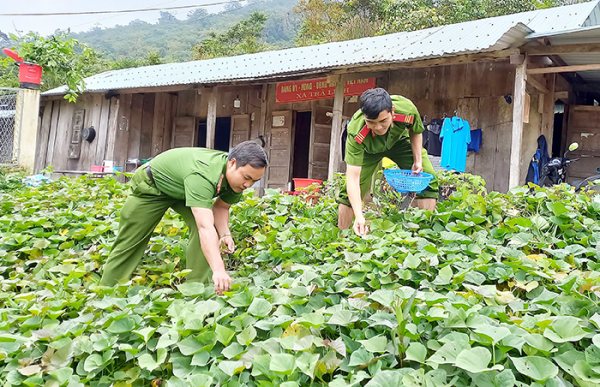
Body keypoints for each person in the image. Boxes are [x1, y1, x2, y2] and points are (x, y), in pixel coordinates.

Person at [100, 141, 268, 294]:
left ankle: (196, 290)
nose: (248, 185)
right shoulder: (203, 174)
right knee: (131, 239)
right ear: (232, 163)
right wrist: (219, 269)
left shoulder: (235, 181)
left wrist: (225, 234)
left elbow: (221, 207)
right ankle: (107, 293)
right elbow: (204, 226)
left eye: (254, 181)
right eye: (247, 178)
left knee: (214, 229)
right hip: (152, 185)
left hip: (183, 189)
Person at [337, 88, 438, 236]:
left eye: (383, 121)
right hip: (368, 151)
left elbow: (415, 131)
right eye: (371, 122)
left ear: (393, 111)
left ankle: (425, 235)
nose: (378, 127)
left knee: (428, 178)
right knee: (349, 193)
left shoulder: (407, 109)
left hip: (400, 142)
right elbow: (353, 178)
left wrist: (417, 161)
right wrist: (360, 216)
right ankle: (342, 240)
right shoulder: (355, 130)